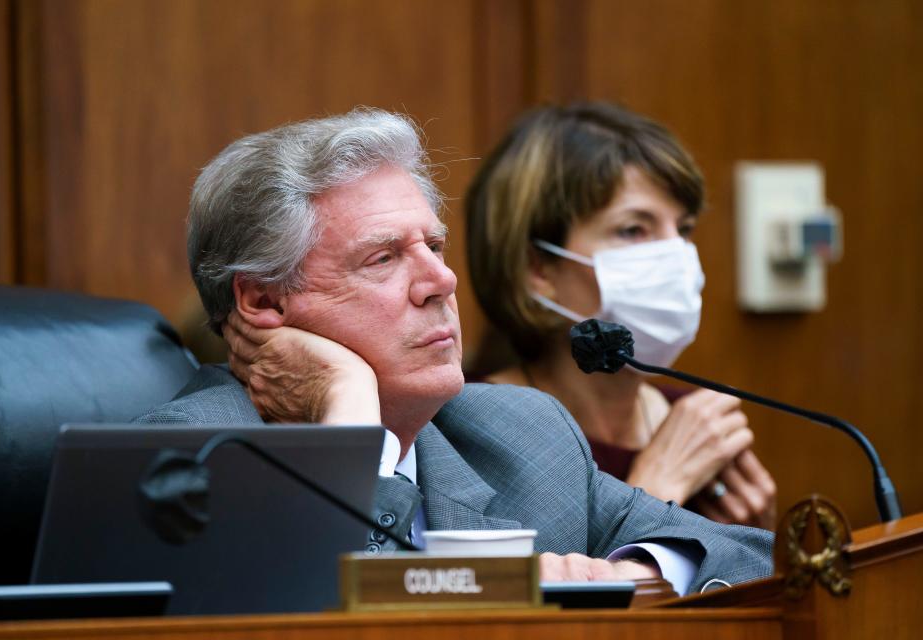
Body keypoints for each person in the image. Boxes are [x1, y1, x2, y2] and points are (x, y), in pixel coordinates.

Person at [136, 108, 772, 595]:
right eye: (383, 258)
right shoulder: (188, 462)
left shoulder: (522, 432)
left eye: (434, 248)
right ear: (265, 303)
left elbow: (752, 557)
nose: (441, 281)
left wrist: (622, 578)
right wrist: (350, 413)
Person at [465, 103, 776, 530]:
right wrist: (656, 487)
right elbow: (550, 591)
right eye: (634, 230)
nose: (677, 256)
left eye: (682, 229)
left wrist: (753, 542)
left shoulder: (692, 423)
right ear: (538, 269)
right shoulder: (476, 429)